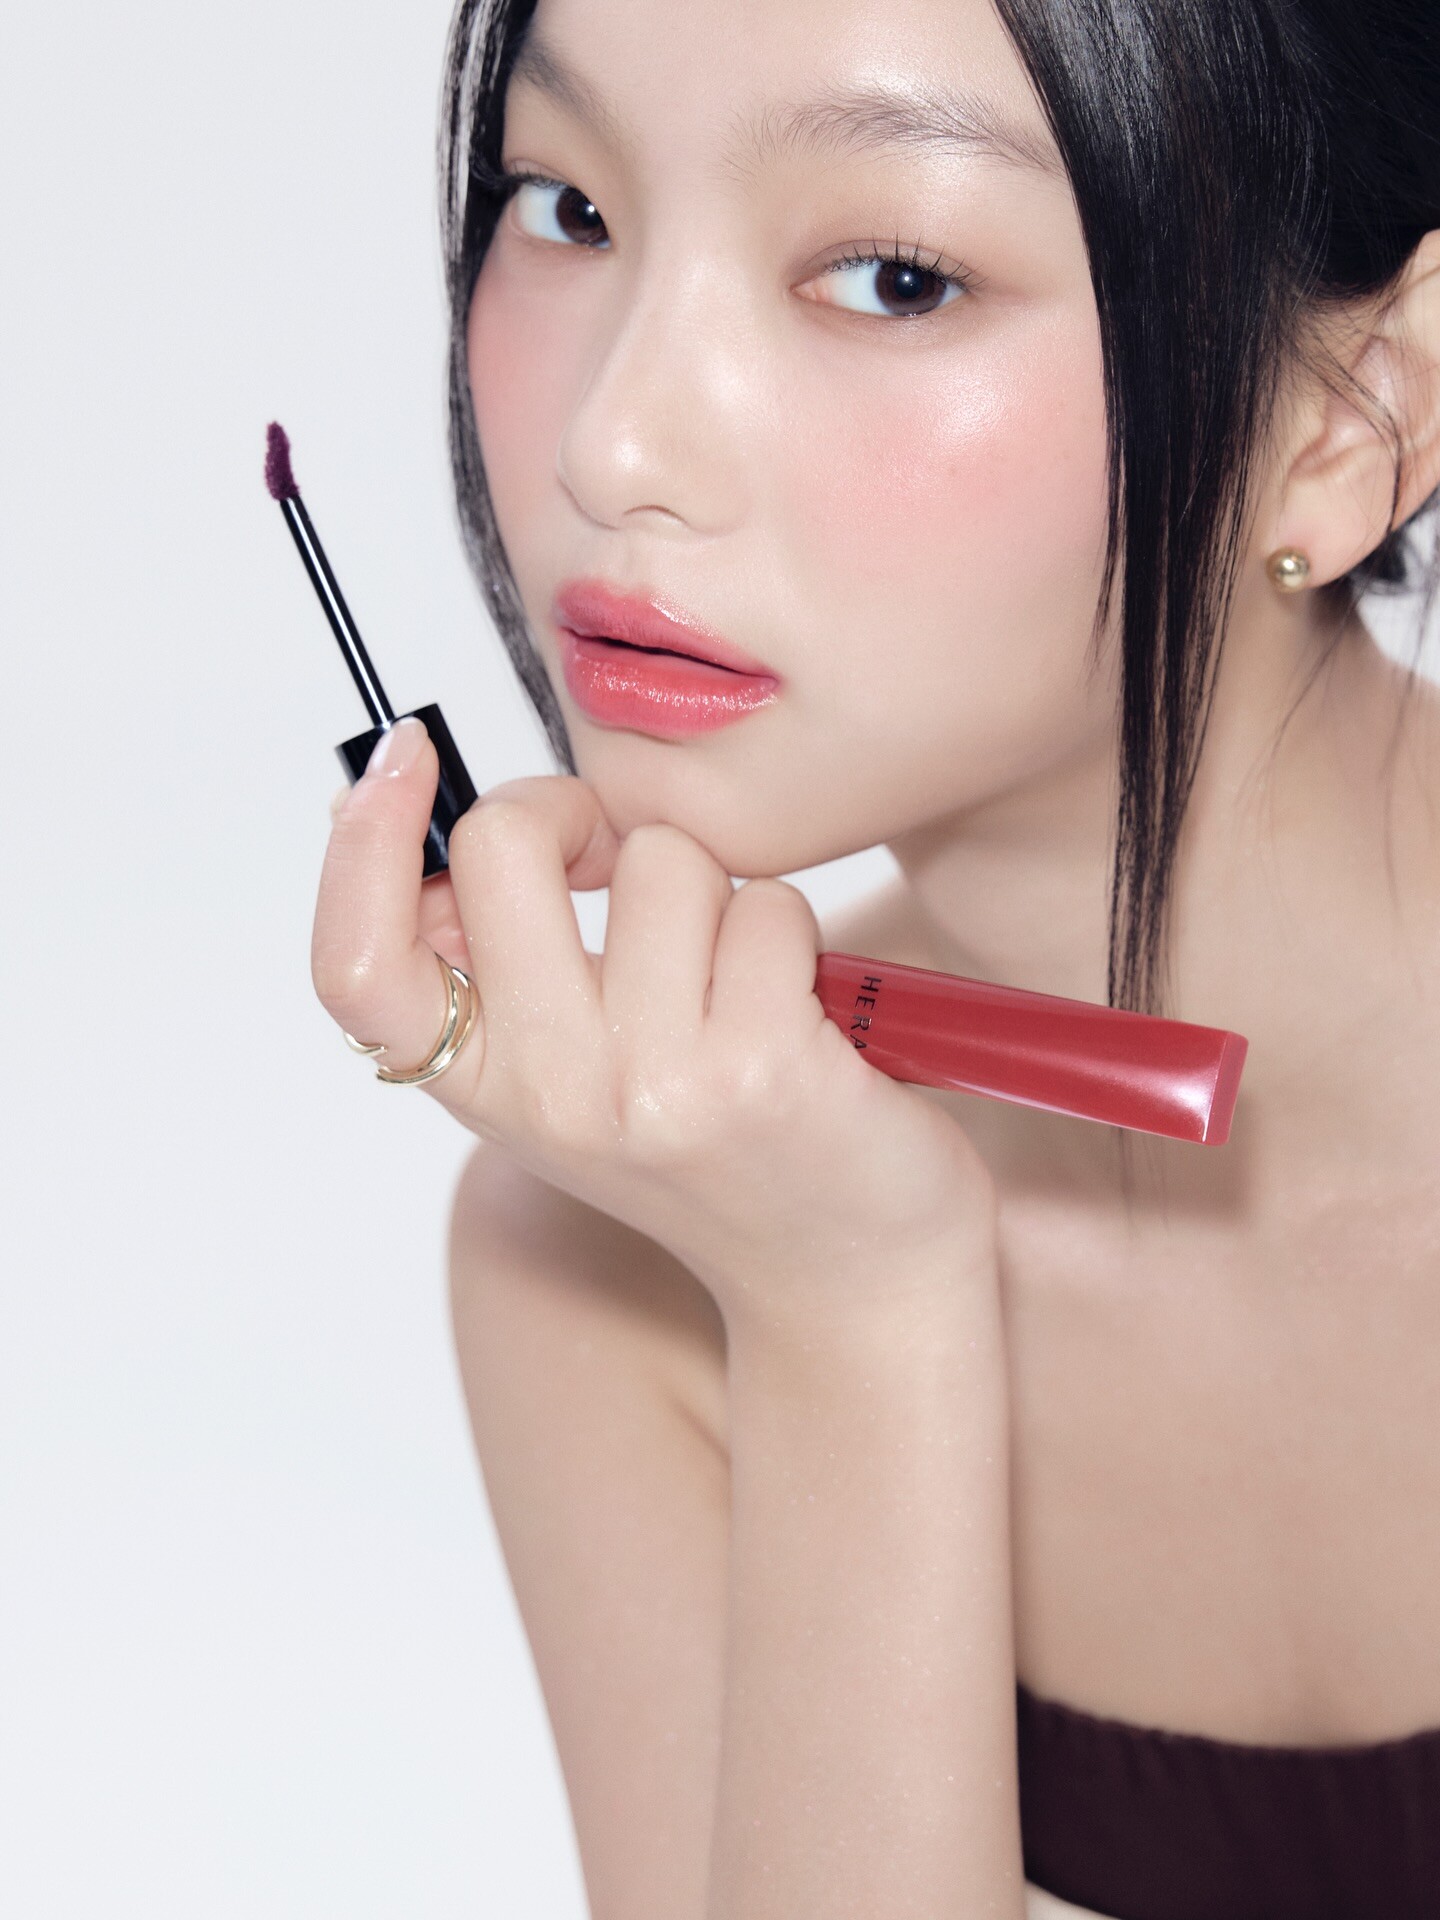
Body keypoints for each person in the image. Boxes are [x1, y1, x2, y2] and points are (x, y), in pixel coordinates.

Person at [311, 0, 1440, 1912]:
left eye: (895, 276)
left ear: (1351, 419)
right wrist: (846, 1312)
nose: (612, 442)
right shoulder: (626, 1241)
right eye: (567, 208)